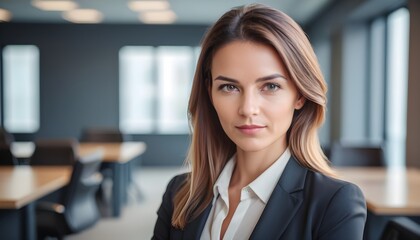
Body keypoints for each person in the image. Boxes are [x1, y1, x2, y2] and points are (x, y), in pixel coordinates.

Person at [153, 3, 366, 240]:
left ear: (300, 95)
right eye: (229, 87)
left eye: (271, 86)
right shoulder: (180, 192)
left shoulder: (334, 204)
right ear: (210, 93)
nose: (248, 109)